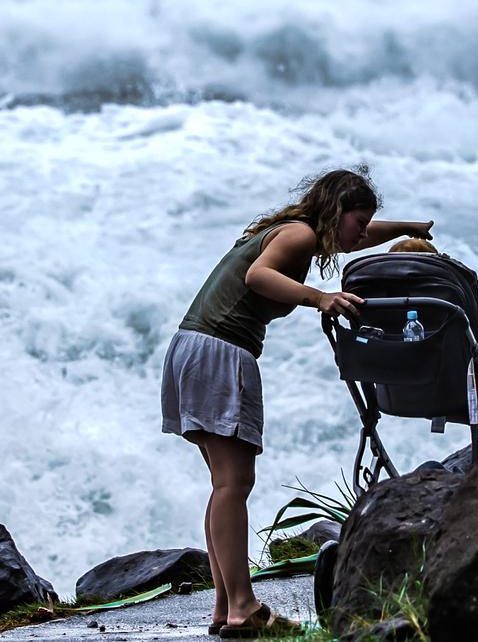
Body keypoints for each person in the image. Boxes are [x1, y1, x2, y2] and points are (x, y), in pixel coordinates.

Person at [160, 168, 433, 637]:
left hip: (194, 347)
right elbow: (258, 275)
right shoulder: (300, 234)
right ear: (336, 213)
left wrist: (408, 230)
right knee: (234, 482)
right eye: (360, 221)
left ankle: (226, 609)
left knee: (225, 484)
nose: (365, 233)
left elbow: (356, 239)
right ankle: (243, 605)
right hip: (221, 350)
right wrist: (319, 297)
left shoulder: (299, 230)